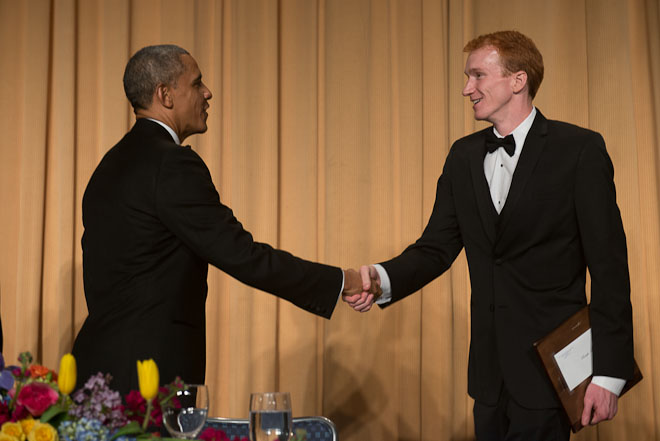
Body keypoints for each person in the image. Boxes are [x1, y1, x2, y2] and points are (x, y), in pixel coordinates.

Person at [343, 30, 634, 440]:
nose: (467, 89)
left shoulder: (579, 150)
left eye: (478, 76)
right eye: (467, 77)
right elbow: (436, 248)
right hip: (489, 377)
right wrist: (380, 278)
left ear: (518, 80)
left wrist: (609, 373)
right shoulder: (462, 156)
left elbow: (609, 269)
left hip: (552, 373)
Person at [72, 44, 368, 396]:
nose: (207, 92)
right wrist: (340, 281)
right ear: (165, 95)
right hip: (147, 384)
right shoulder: (171, 164)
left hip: (93, 376)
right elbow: (242, 255)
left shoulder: (107, 167)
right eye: (197, 84)